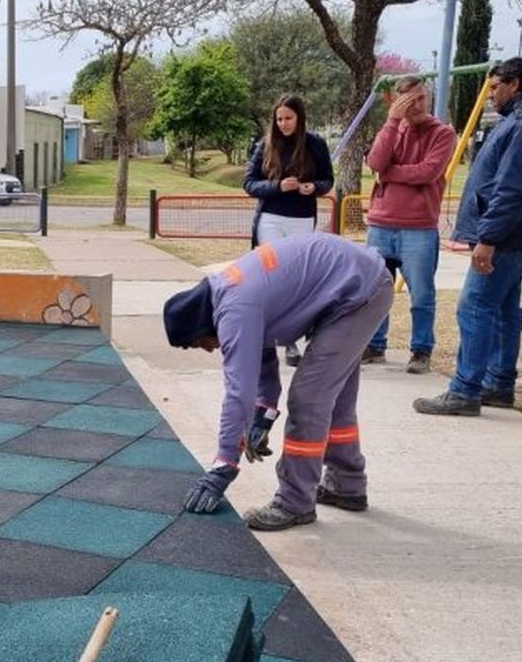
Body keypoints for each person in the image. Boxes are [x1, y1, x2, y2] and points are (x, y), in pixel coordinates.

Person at [162, 232, 393, 531]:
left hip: (360, 294)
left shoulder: (234, 310)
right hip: (357, 283)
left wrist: (224, 464)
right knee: (334, 399)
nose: (209, 349)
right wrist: (264, 412)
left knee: (309, 398)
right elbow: (264, 355)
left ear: (200, 325)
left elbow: (238, 392)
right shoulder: (229, 292)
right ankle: (346, 485)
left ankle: (294, 502)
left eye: (199, 344)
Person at [414, 58, 522, 416]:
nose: (491, 95)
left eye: (495, 87)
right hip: (511, 235)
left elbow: (512, 188)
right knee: (502, 309)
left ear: (514, 84)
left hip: (506, 237)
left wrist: (488, 238)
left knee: (474, 306)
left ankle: (466, 390)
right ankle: (499, 384)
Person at [360, 76, 458, 374]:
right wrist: (391, 123)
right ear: (397, 102)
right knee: (376, 290)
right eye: (409, 100)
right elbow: (376, 162)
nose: (417, 105)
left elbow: (427, 172)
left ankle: (421, 350)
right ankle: (375, 344)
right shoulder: (393, 129)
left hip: (418, 226)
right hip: (381, 224)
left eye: (422, 98)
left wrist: (389, 174)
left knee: (422, 293)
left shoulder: (442, 134)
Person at [243, 95, 335, 367]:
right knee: (272, 277)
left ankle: (294, 335)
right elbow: (249, 183)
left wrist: (313, 188)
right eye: (279, 118)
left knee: (297, 279)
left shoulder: (315, 143)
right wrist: (277, 186)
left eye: (288, 118)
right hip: (271, 217)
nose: (283, 124)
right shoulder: (265, 144)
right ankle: (273, 340)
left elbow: (327, 180)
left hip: (302, 219)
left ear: (299, 118)